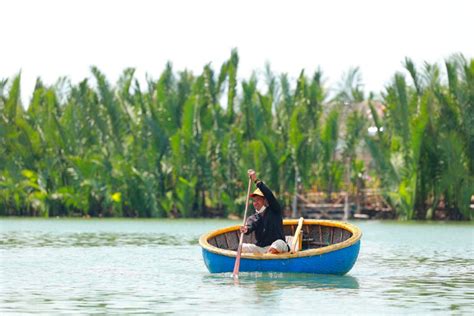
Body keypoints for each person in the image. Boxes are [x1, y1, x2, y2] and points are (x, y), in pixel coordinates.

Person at [240, 169, 289, 254]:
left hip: (279, 246)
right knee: (241, 247)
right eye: (254, 201)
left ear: (265, 201)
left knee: (276, 245)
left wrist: (256, 180)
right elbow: (249, 227)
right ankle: (264, 258)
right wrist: (246, 229)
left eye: (258, 200)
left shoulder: (274, 210)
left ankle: (267, 259)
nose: (255, 203)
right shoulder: (253, 218)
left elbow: (269, 195)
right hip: (262, 249)